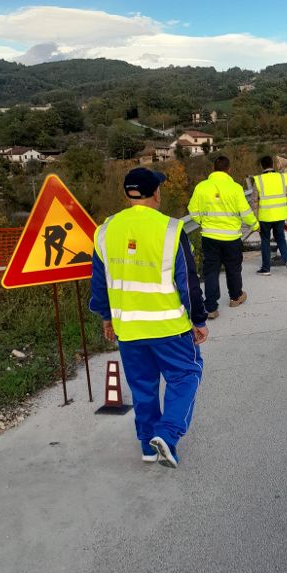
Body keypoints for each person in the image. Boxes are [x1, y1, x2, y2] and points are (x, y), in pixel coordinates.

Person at [90, 167, 208, 468]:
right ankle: (167, 436)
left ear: (128, 194)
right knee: (186, 376)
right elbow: (188, 282)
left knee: (143, 387)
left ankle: (147, 446)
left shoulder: (105, 230)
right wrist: (199, 319)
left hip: (128, 329)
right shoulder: (170, 229)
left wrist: (107, 317)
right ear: (155, 193)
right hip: (170, 327)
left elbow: (99, 282)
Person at [187, 156, 259, 319]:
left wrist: (202, 221)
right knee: (233, 268)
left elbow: (192, 209)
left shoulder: (201, 187)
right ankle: (235, 297)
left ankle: (211, 307)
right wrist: (255, 225)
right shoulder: (235, 188)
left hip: (209, 237)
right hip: (231, 238)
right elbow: (245, 211)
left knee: (211, 271)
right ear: (229, 169)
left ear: (214, 169)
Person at [252, 155, 287, 277]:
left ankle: (266, 268)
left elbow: (254, 202)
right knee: (281, 238)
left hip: (265, 218)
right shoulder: (282, 178)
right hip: (280, 216)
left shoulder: (259, 180)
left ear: (262, 166)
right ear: (273, 164)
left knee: (265, 241)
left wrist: (255, 221)